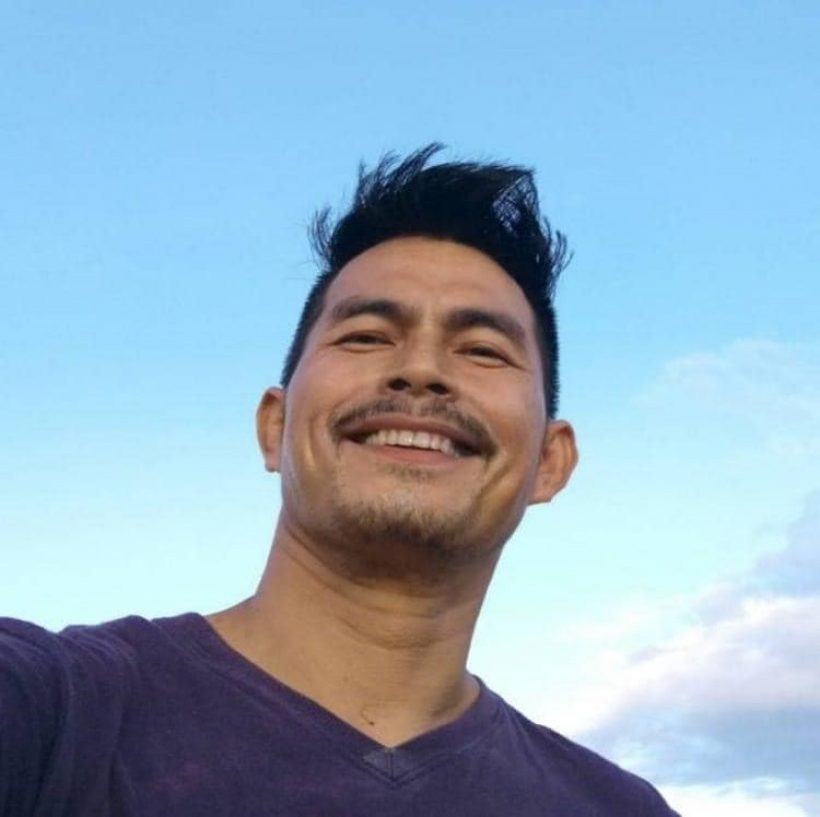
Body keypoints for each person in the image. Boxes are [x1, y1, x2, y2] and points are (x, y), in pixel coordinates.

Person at [0, 145, 680, 816]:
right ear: (275, 424)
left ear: (550, 461)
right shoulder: (56, 710)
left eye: (482, 350)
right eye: (366, 336)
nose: (421, 369)